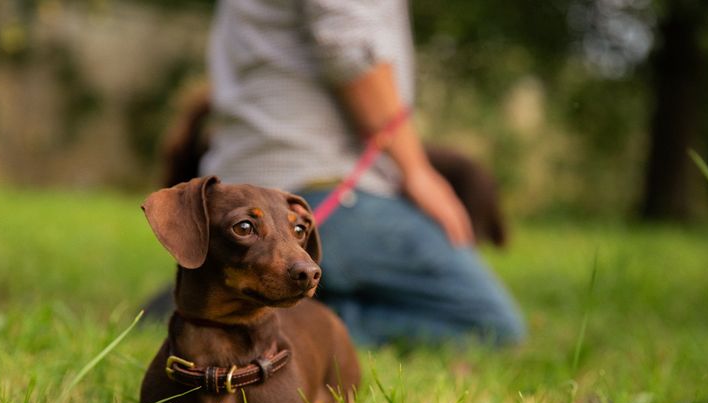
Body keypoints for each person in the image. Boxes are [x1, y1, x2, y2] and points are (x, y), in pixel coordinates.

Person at [195, 0, 525, 347]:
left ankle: (224, 298)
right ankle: (259, 320)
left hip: (248, 175)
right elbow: (348, 50)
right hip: (323, 186)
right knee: (490, 325)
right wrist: (416, 170)